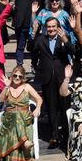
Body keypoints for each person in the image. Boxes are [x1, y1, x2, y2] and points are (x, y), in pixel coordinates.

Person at [31, 17, 73, 148]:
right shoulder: (41, 39)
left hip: (62, 79)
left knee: (64, 107)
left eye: (54, 26)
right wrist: (34, 32)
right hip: (47, 78)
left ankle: (66, 135)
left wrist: (65, 40)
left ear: (58, 27)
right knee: (51, 108)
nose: (51, 29)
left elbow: (73, 51)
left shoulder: (63, 38)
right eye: (49, 27)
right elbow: (32, 51)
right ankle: (54, 136)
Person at [0, 66, 44, 161]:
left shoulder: (27, 87)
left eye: (20, 76)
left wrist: (38, 108)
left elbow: (39, 98)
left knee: (18, 117)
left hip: (25, 116)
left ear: (23, 78)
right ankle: (25, 142)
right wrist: (6, 86)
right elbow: (1, 100)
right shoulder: (8, 87)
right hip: (9, 117)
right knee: (15, 116)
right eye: (15, 75)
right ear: (11, 76)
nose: (17, 78)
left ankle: (24, 143)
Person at [10, 0, 46, 66]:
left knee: (35, 46)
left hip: (35, 22)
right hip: (20, 22)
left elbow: (44, 3)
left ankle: (34, 66)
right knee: (20, 46)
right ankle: (19, 66)